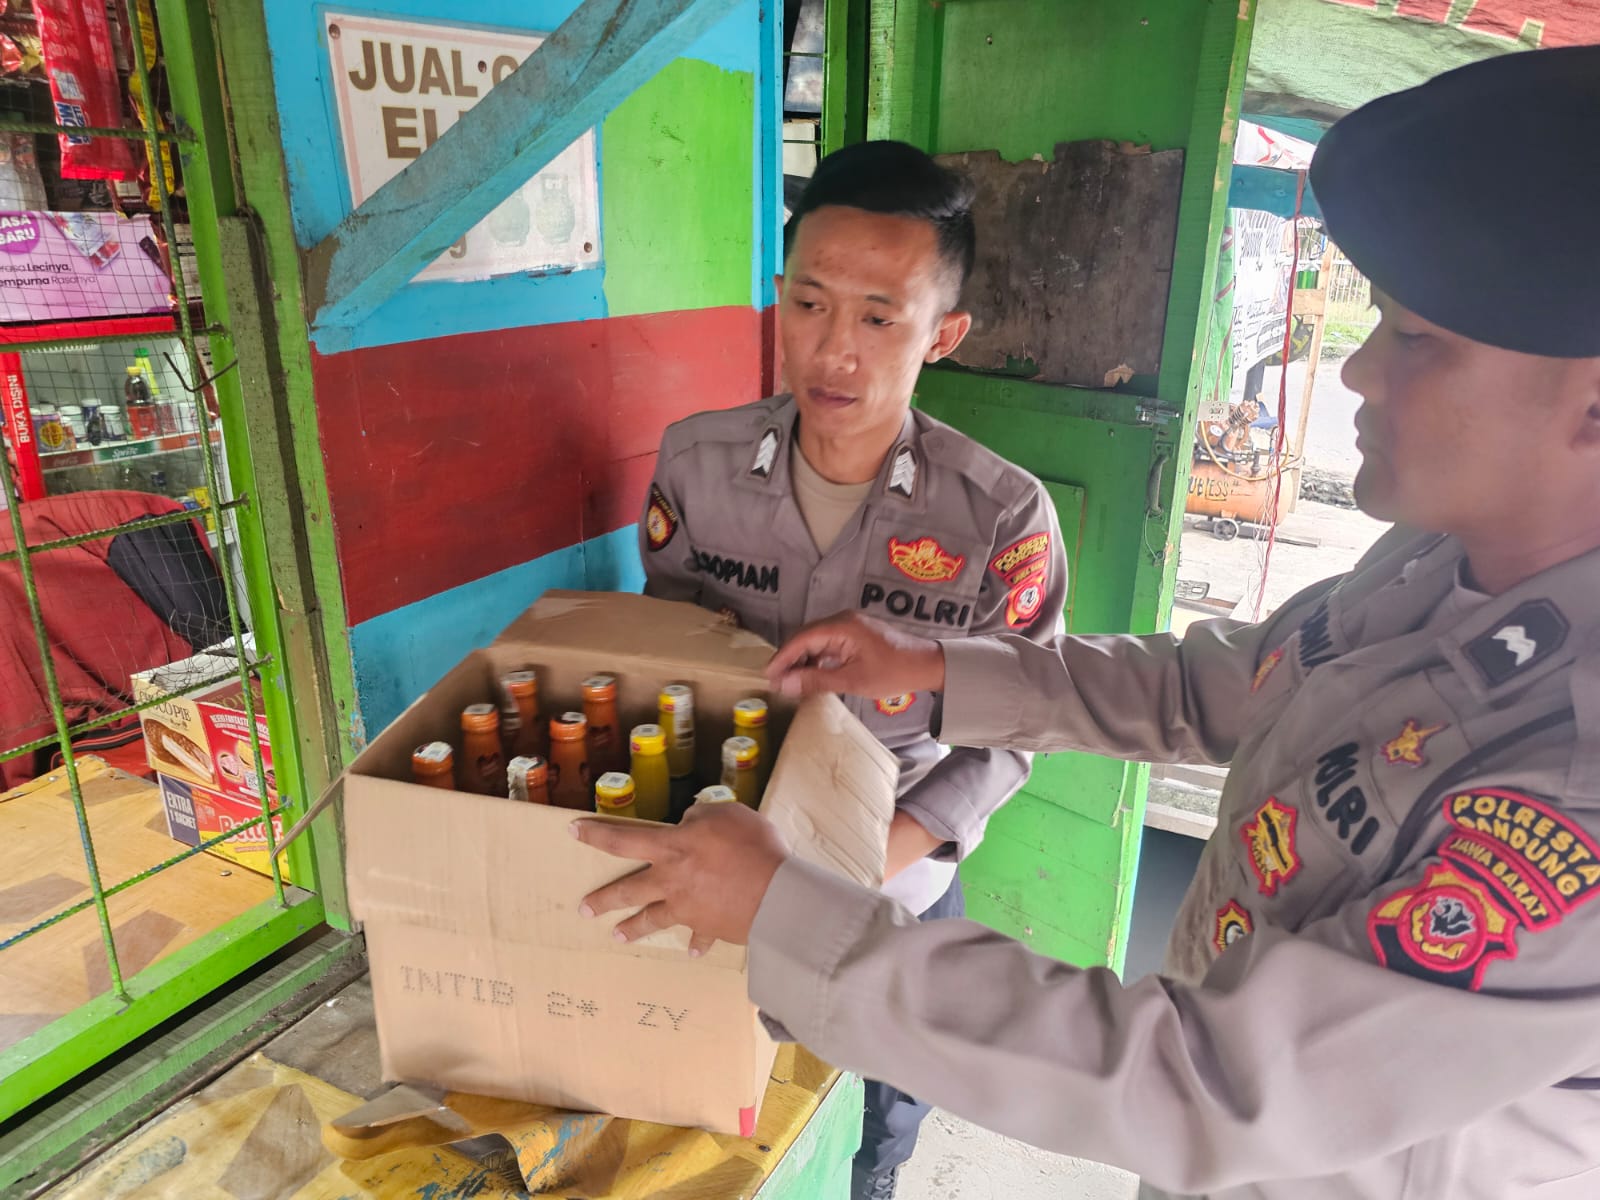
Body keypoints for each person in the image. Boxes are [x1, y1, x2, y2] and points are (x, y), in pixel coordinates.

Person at [577, 46, 1600, 1199]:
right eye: (810, 301)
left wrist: (805, 908)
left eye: (1417, 339)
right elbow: (1207, 686)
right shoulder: (1428, 566)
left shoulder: (1571, 768)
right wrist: (933, 665)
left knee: (859, 1130)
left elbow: (1205, 1085)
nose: (1356, 372)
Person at [636, 139, 1069, 1197]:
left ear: (944, 333)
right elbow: (673, 652)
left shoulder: (999, 516)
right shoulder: (696, 461)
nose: (835, 352)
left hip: (895, 860)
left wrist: (871, 862)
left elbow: (1013, 726)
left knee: (872, 1114)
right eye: (810, 305)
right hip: (727, 831)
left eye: (880, 317)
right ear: (777, 300)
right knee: (708, 1102)